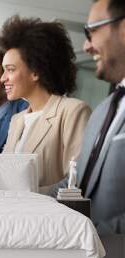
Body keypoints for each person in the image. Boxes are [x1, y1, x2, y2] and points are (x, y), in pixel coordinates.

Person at [0, 16, 92, 191]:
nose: (3, 78)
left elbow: (75, 182)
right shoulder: (17, 120)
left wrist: (25, 196)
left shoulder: (72, 111)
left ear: (36, 71)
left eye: (10, 70)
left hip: (44, 216)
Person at [54, 0, 125, 234]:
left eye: (91, 31)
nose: (86, 45)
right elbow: (76, 182)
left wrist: (86, 237)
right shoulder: (103, 110)